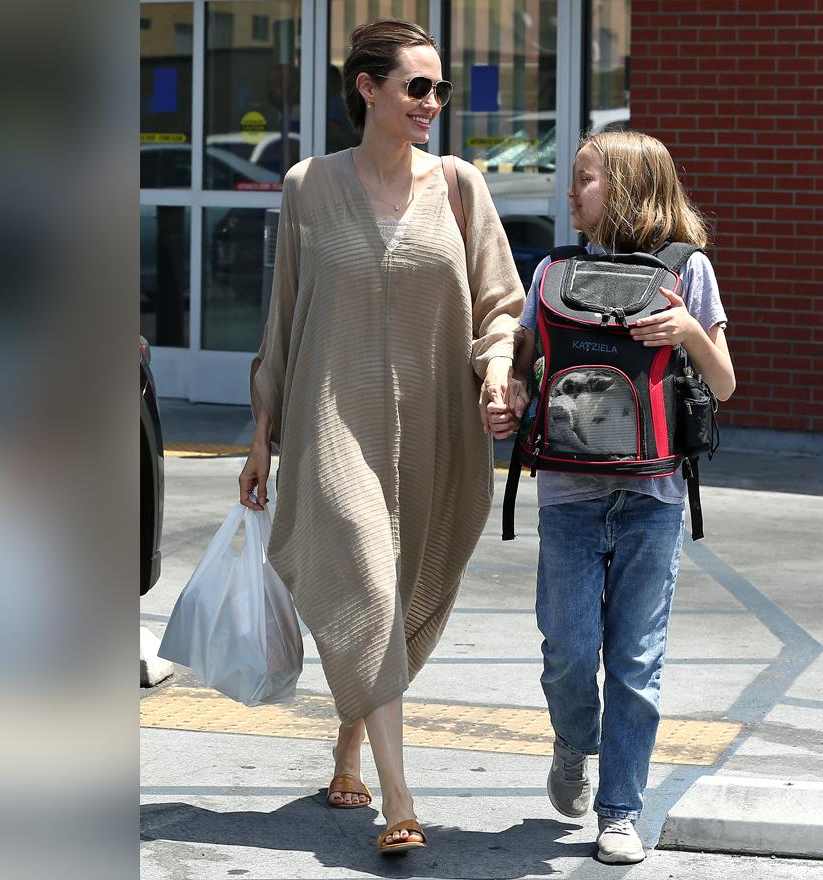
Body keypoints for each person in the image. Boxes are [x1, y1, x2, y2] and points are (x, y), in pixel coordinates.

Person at [237, 19, 524, 856]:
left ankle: (350, 746)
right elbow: (284, 320)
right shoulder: (306, 185)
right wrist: (262, 434)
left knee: (401, 599)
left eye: (441, 90)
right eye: (418, 88)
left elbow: (498, 304)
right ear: (368, 88)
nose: (433, 103)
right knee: (365, 579)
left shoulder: (462, 186)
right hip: (334, 424)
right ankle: (400, 796)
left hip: (436, 424)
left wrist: (500, 368)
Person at [510, 131, 737, 864]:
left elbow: (725, 382)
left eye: (585, 179)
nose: (571, 193)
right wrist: (503, 399)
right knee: (569, 652)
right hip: (570, 494)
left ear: (631, 188)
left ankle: (620, 810)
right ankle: (575, 740)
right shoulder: (552, 269)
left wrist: (689, 332)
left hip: (654, 496)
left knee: (636, 661)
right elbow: (521, 371)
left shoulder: (687, 270)